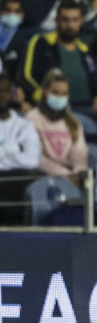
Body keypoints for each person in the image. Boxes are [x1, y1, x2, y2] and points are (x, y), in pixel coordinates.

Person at [17, 0, 97, 112]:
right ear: (57, 20)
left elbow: (95, 80)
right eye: (65, 20)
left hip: (88, 107)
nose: (70, 25)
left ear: (81, 21)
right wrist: (42, 97)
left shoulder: (85, 50)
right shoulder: (41, 42)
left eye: (75, 20)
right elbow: (25, 75)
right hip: (53, 108)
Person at [25, 68, 88, 185]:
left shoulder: (73, 121)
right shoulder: (32, 119)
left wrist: (77, 174)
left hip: (73, 180)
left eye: (64, 94)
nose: (60, 97)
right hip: (43, 178)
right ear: (45, 91)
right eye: (55, 92)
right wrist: (66, 175)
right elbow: (37, 158)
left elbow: (80, 156)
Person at [0, 72, 41, 224]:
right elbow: (22, 158)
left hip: (16, 183)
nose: (2, 96)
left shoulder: (24, 126)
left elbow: (31, 161)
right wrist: (14, 154)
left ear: (12, 94)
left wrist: (3, 156)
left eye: (6, 91)